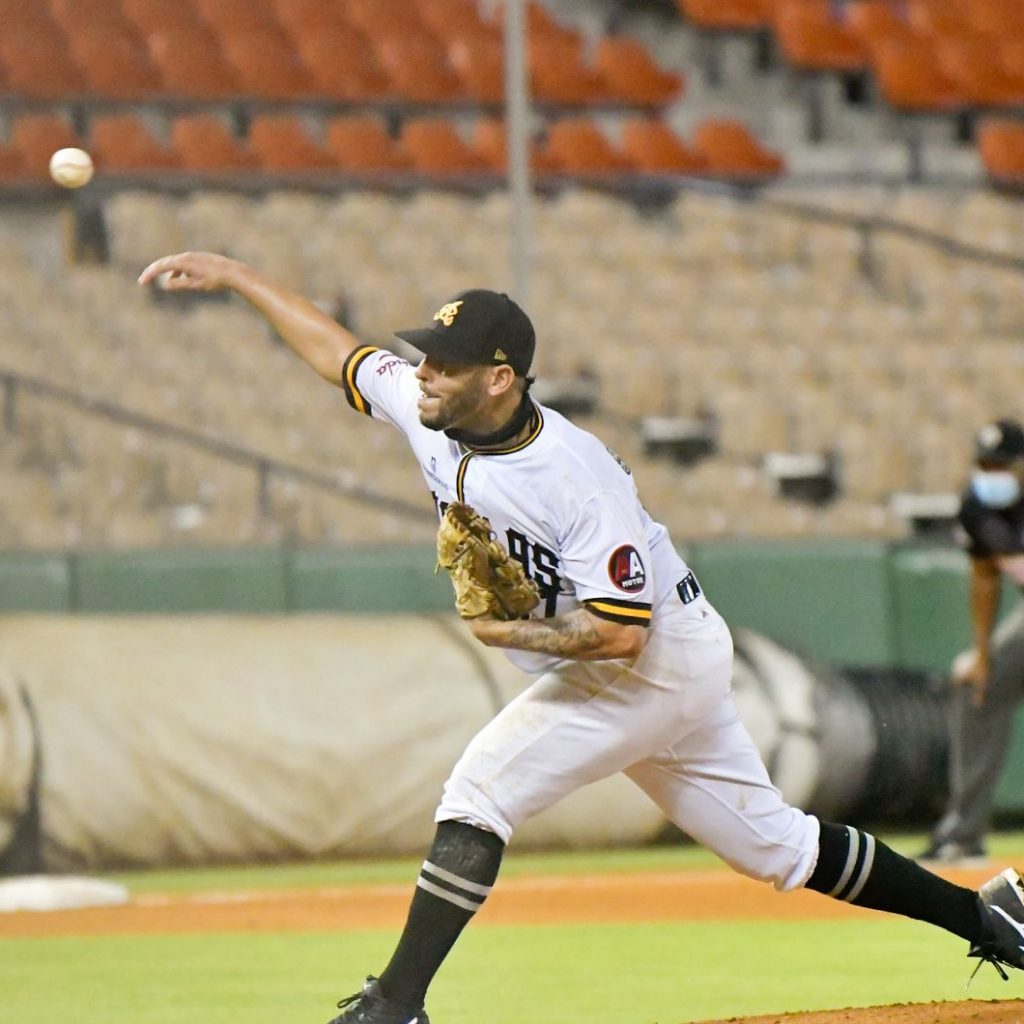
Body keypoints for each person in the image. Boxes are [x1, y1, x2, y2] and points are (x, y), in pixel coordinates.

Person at [138, 252, 1024, 1024]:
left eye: (443, 365)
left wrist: (507, 629)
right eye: (424, 359)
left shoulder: (574, 476)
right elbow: (340, 354)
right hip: (667, 659)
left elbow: (619, 638)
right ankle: (992, 919)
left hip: (653, 663)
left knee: (480, 789)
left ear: (500, 377)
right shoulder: (427, 408)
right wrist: (236, 275)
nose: (422, 375)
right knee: (777, 848)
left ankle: (394, 1006)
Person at [919, 418, 1024, 867]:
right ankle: (964, 835)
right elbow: (984, 577)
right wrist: (982, 655)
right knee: (977, 686)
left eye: (1003, 464)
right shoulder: (977, 508)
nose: (993, 473)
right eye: (986, 463)